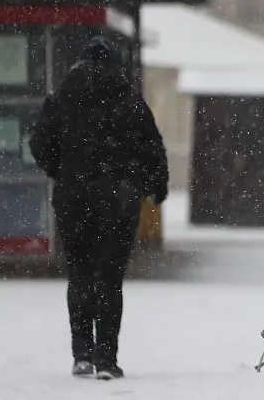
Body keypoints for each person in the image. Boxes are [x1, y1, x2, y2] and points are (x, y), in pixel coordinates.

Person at [30, 35, 169, 379]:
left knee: (79, 274)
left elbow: (39, 142)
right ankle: (106, 359)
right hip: (117, 201)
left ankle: (82, 354)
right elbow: (153, 147)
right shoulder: (129, 100)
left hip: (73, 198)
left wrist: (61, 171)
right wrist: (153, 186)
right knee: (109, 278)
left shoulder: (62, 98)